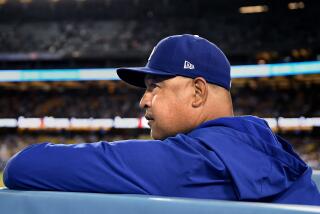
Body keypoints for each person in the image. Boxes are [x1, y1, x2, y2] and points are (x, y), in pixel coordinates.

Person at [3, 34, 320, 205]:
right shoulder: (275, 149)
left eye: (155, 87)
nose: (143, 100)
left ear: (197, 92)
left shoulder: (192, 162)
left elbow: (23, 166)